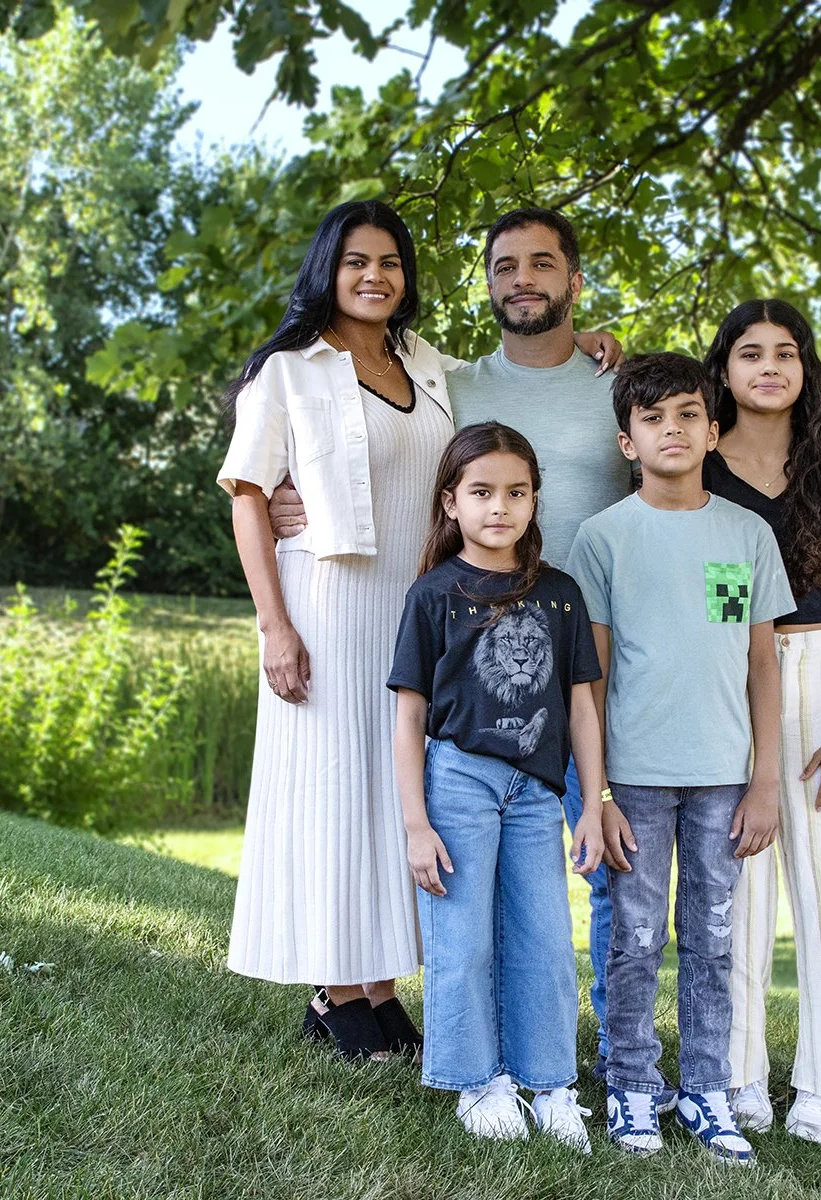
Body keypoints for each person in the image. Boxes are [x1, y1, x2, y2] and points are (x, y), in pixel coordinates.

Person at [268, 207, 629, 1073]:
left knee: (610, 860)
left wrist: (613, 342)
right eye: (506, 266)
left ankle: (621, 1054)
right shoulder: (451, 381)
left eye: (544, 264)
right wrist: (293, 499)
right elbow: (372, 441)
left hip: (599, 648)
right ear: (489, 283)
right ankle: (464, 1045)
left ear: (575, 281)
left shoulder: (620, 379)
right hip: (481, 670)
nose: (524, 279)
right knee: (473, 863)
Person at [216, 199, 455, 1061]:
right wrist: (273, 627)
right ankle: (333, 989)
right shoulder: (287, 371)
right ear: (330, 268)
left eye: (391, 262)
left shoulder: (426, 365)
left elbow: (504, 384)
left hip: (415, 602)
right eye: (357, 260)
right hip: (324, 601)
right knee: (333, 787)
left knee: (396, 787)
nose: (374, 275)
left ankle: (380, 987)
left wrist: (590, 349)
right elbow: (250, 497)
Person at [569, 352, 794, 1166]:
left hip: (725, 779)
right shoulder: (604, 539)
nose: (673, 429)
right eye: (654, 418)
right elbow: (587, 679)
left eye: (688, 414)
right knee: (632, 939)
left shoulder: (746, 534)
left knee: (714, 938)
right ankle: (631, 1085)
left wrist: (765, 779)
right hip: (632, 779)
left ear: (712, 428)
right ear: (627, 440)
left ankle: (704, 1088)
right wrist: (596, 797)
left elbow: (757, 661)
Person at [388, 423, 608, 1149]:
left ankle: (548, 1082)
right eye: (481, 492)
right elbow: (410, 715)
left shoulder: (560, 594)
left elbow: (582, 705)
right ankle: (477, 1080)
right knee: (463, 937)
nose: (499, 507)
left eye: (516, 493)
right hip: (458, 782)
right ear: (451, 501)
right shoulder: (433, 595)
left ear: (535, 500)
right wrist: (417, 824)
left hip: (538, 790)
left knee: (546, 938)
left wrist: (594, 802)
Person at [702, 300, 821, 1147]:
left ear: (806, 369)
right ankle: (739, 1076)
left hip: (815, 682)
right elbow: (716, 599)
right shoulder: (699, 468)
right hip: (730, 671)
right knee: (738, 883)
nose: (769, 366)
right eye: (749, 353)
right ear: (724, 370)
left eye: (786, 353)